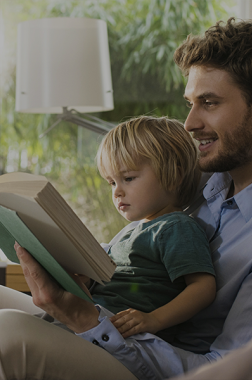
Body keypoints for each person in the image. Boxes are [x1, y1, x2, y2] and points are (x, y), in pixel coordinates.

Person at [0, 16, 252, 380]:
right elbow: (142, 254)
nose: (190, 123)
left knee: (3, 334)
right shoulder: (202, 173)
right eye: (190, 102)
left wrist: (88, 322)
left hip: (144, 352)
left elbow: (222, 371)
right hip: (101, 315)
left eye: (209, 103)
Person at [91, 116, 216, 342]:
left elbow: (203, 287)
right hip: (95, 320)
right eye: (112, 182)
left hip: (120, 335)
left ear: (173, 175)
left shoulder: (176, 228)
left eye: (128, 178)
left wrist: (154, 319)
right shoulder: (133, 230)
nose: (116, 192)